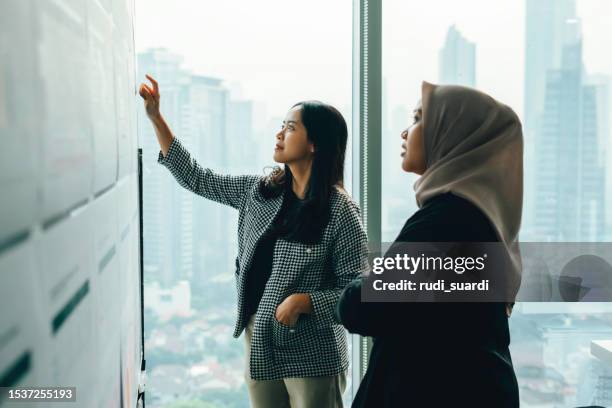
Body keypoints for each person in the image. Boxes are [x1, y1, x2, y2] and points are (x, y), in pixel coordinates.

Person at [139, 74, 368, 408]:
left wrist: (305, 302)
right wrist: (157, 119)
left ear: (314, 143)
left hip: (313, 354)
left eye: (290, 127)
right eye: (281, 125)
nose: (279, 133)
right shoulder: (260, 193)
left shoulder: (340, 210)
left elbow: (358, 288)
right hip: (260, 341)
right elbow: (198, 178)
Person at [335, 81, 523, 407]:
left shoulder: (446, 221)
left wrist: (363, 279)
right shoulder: (478, 217)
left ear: (454, 135)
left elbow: (360, 308)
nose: (405, 133)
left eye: (419, 119)